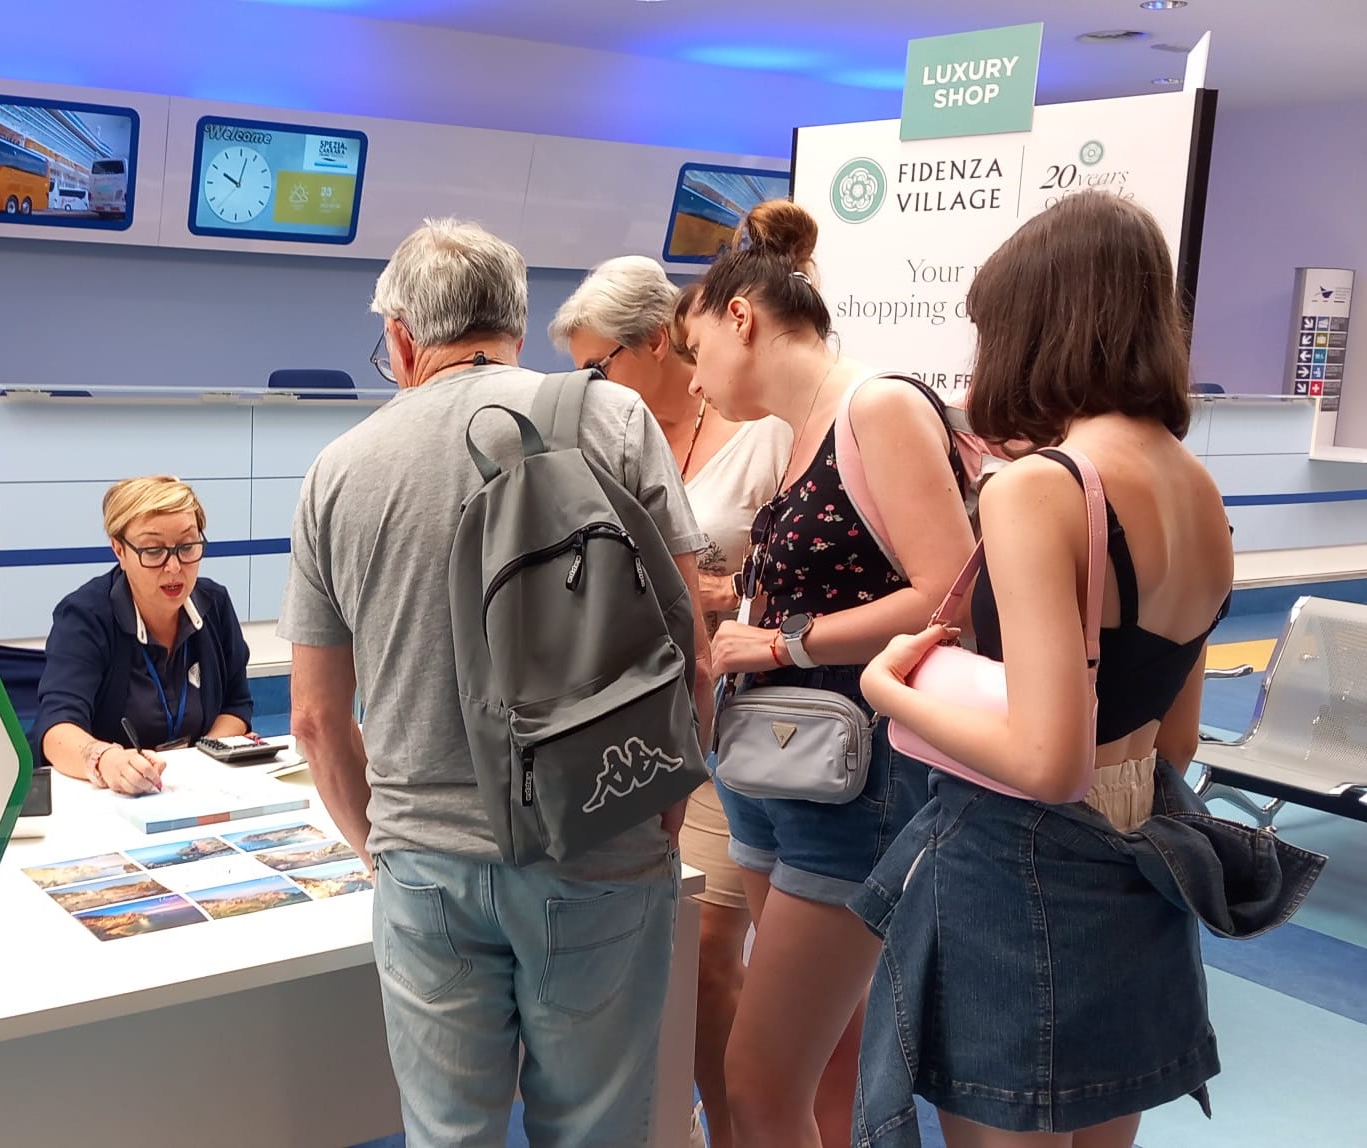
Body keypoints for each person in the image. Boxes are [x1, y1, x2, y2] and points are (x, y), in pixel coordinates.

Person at [852, 193, 1302, 1148]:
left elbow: (1049, 760)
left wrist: (890, 690)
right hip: (1143, 853)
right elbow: (1176, 737)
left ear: (1037, 324)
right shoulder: (1196, 486)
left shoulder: (1043, 488)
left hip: (1020, 864)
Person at [284, 218, 715, 1147]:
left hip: (424, 864)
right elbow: (696, 647)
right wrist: (662, 807)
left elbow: (318, 720)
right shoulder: (615, 418)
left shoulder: (337, 471)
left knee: (449, 1133)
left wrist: (382, 844)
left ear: (401, 338)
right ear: (517, 323)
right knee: (596, 1128)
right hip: (601, 832)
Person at [678, 199, 976, 1148]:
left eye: (695, 353)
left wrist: (780, 643)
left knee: (758, 1082)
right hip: (780, 768)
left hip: (853, 778)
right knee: (817, 1058)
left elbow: (946, 596)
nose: (695, 384)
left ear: (740, 318)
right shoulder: (800, 431)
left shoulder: (876, 406)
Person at [550, 255, 790, 1148]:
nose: (589, 385)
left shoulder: (759, 432)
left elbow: (804, 582)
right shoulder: (610, 436)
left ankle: (737, 1130)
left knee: (719, 962)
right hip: (640, 727)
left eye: (597, 365)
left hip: (739, 725)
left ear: (658, 340)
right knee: (671, 955)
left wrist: (723, 601)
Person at [34, 476, 253, 795]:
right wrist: (106, 761)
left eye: (187, 547)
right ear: (119, 549)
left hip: (195, 794)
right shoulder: (83, 616)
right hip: (108, 801)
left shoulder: (214, 605)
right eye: (153, 551)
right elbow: (55, 729)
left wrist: (203, 758)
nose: (175, 567)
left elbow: (237, 704)